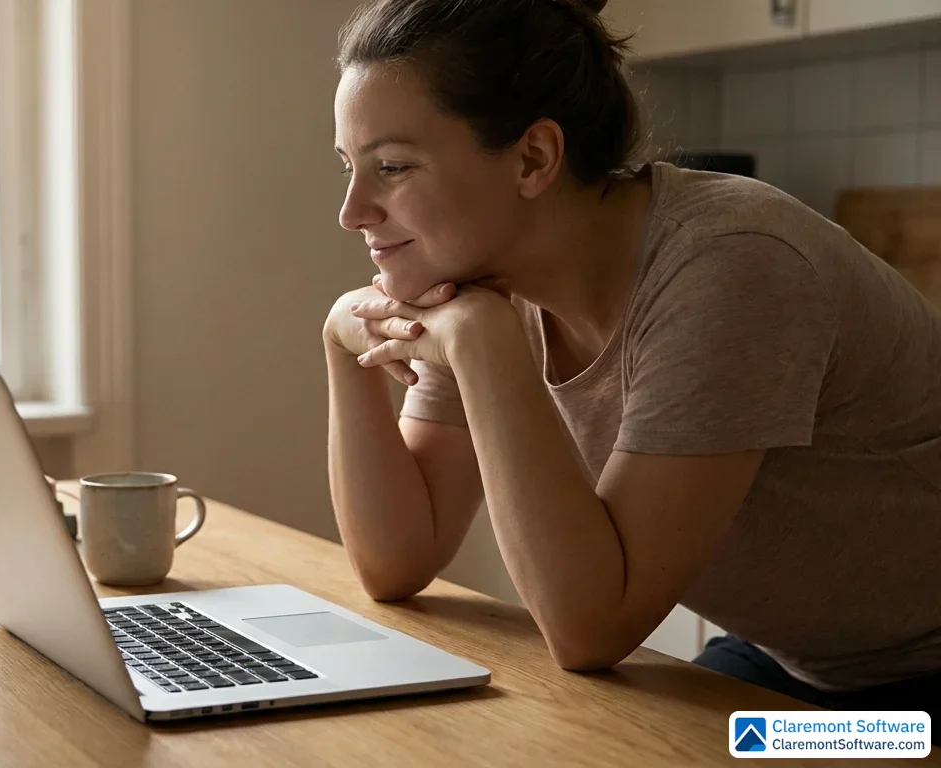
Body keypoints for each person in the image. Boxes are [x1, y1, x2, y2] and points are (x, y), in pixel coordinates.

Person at [321, 0, 941, 731]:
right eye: (349, 167)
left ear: (533, 158)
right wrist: (344, 349)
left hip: (915, 689)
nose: (352, 210)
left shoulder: (732, 265)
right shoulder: (486, 282)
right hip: (789, 660)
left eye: (391, 167)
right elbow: (397, 563)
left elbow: (591, 629)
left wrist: (486, 351)